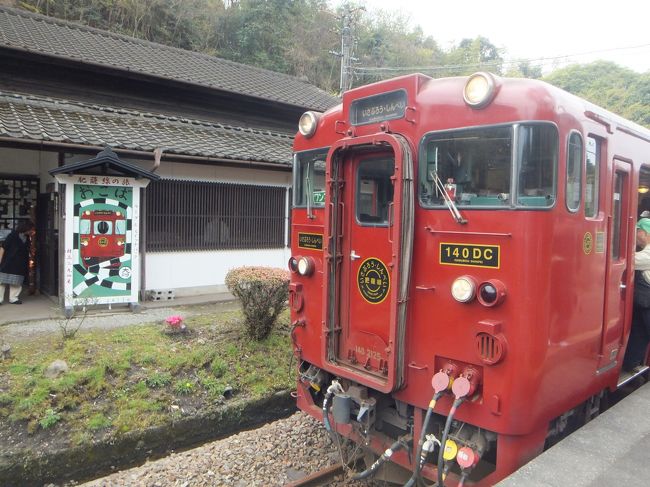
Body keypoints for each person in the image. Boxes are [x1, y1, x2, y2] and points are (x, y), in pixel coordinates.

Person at [623, 218, 650, 371]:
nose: (636, 234)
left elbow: (632, 260)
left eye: (638, 230)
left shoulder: (647, 254)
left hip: (647, 301)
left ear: (646, 233)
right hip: (642, 302)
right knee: (639, 333)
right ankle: (631, 363)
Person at [0, 221, 35, 305]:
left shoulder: (27, 237)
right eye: (31, 229)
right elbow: (3, 248)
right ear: (26, 228)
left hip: (20, 262)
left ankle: (13, 298)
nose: (32, 231)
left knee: (17, 281)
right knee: (1, 281)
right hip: (8, 261)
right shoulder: (12, 235)